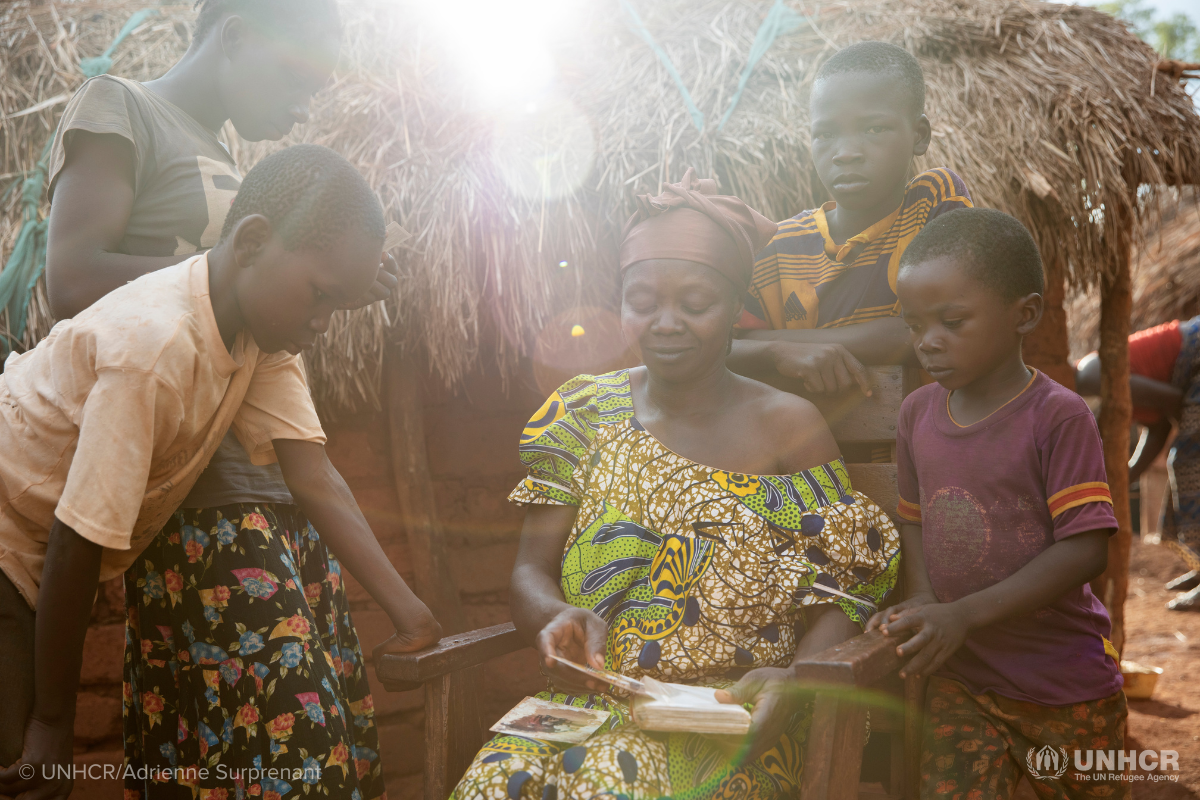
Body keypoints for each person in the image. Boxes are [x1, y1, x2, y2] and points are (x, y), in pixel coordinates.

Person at [36, 1, 405, 795]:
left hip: (274, 490)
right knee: (282, 762)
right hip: (203, 507)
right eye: (300, 76)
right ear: (237, 35)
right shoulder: (123, 108)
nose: (307, 104)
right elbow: (70, 280)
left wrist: (327, 283)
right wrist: (236, 270)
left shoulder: (233, 164)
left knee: (323, 752)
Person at [451, 171, 900, 800]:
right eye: (642, 301)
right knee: (496, 786)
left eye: (695, 303)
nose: (666, 322)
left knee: (608, 786)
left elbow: (847, 582)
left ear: (735, 307)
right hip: (592, 706)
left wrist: (795, 680)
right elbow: (530, 570)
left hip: (732, 717)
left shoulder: (785, 426)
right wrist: (556, 616)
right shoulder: (583, 412)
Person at [869, 208, 1126, 799]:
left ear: (1026, 314)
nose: (928, 340)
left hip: (1065, 686)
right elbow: (914, 523)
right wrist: (926, 601)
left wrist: (964, 615)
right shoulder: (917, 415)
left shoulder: (1056, 415)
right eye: (914, 325)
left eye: (952, 321)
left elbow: (1086, 550)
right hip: (965, 680)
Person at [729, 41, 973, 397]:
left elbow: (926, 333)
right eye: (826, 134)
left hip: (922, 447)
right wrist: (777, 350)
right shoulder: (778, 248)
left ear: (919, 136)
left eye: (873, 129)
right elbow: (721, 348)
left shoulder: (931, 201)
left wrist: (780, 340)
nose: (845, 153)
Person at [1076, 317, 1200, 610]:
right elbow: (1156, 431)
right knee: (1182, 464)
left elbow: (1174, 399)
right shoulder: (1100, 392)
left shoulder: (1089, 373)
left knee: (1189, 466)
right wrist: (1124, 478)